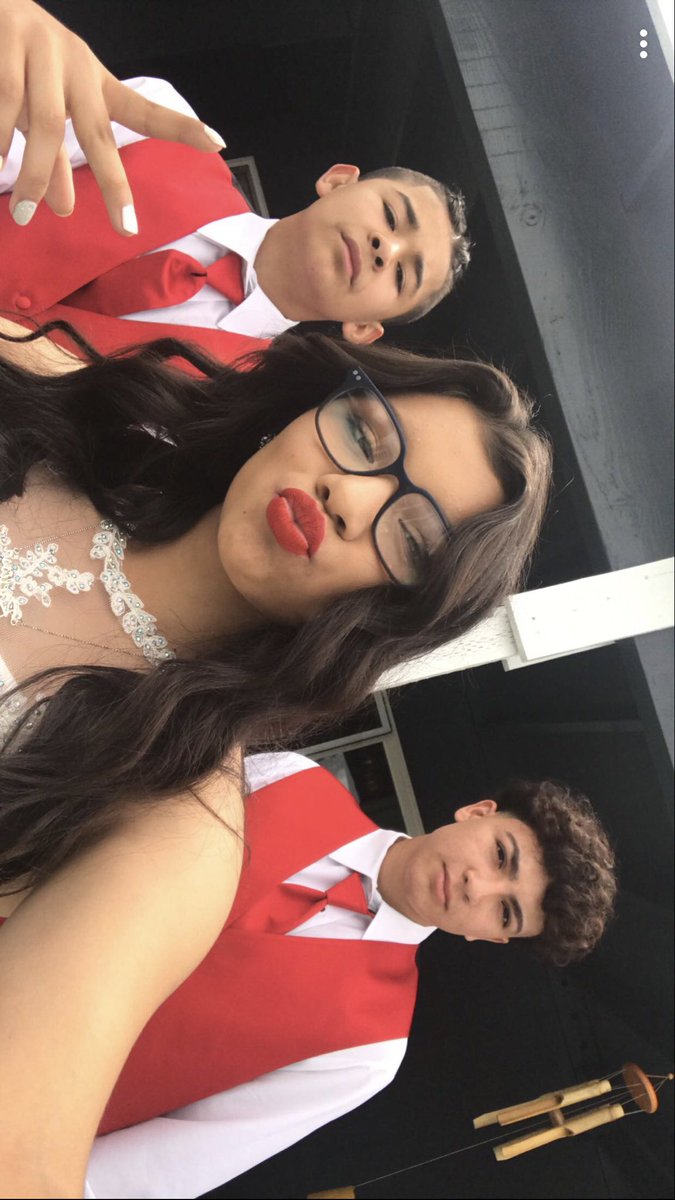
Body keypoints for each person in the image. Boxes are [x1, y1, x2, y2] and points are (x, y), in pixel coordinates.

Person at [0, 317, 551, 1194]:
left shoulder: (174, 815)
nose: (350, 499)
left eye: (411, 541)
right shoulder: (80, 409)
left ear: (388, 620)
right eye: (364, 436)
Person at [78, 750, 614, 1198]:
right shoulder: (292, 780)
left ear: (490, 937)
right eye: (500, 855)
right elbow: (105, 806)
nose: (479, 887)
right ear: (476, 812)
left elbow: (164, 1164)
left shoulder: (371, 1049)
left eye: (505, 912)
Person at [0, 3, 470, 363]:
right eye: (391, 215)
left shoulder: (231, 411)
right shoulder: (165, 124)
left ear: (364, 328)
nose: (386, 249)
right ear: (339, 181)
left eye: (402, 275)